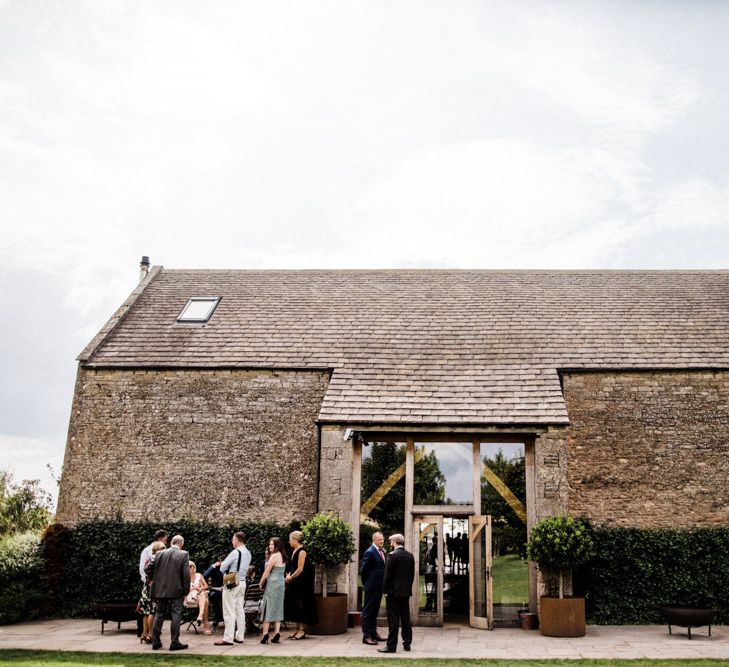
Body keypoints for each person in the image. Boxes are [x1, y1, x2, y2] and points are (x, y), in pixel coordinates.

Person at [148, 534, 190, 651]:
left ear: (172, 542)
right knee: (176, 614)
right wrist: (186, 590)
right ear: (181, 544)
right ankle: (174, 642)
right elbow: (186, 575)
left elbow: (148, 569)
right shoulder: (183, 554)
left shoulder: (159, 554)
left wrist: (155, 580)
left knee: (159, 614)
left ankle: (155, 641)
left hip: (160, 590)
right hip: (176, 590)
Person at [378, 533, 415, 654]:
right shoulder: (410, 556)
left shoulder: (392, 556)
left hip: (393, 593)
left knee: (393, 620)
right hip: (405, 592)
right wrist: (407, 588)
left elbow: (387, 576)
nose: (390, 544)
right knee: (405, 618)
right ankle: (407, 643)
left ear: (394, 542)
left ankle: (391, 646)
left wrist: (385, 591)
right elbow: (411, 575)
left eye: (391, 542)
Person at [215, 531, 252, 646]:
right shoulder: (248, 553)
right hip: (242, 583)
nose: (232, 541)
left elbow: (222, 567)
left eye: (233, 539)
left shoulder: (235, 552)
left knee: (229, 611)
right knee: (239, 610)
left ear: (237, 540)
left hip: (232, 583)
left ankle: (228, 638)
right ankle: (240, 636)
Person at [284, 530, 317, 639]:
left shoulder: (302, 551)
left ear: (295, 540)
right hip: (295, 583)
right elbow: (292, 567)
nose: (289, 542)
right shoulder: (294, 551)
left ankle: (302, 630)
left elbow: (300, 569)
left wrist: (291, 577)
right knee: (295, 606)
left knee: (301, 605)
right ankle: (297, 629)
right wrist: (288, 574)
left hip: (302, 583)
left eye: (290, 539)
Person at [258, 537, 286, 644]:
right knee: (278, 607)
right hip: (280, 584)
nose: (270, 546)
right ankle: (276, 633)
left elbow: (267, 571)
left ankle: (265, 634)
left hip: (272, 584)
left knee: (268, 607)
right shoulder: (283, 556)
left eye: (272, 545)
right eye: (269, 544)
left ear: (277, 546)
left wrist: (260, 583)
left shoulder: (274, 556)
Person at [360, 531, 386, 645]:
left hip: (379, 587)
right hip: (371, 586)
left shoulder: (381, 551)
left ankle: (373, 633)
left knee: (374, 611)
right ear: (374, 540)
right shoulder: (370, 552)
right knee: (367, 612)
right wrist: (367, 584)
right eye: (380, 539)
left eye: (383, 539)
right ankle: (366, 636)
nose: (382, 541)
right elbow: (364, 571)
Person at [137, 540, 166, 644]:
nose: (165, 550)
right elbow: (147, 570)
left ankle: (144, 634)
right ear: (158, 549)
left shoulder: (149, 558)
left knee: (145, 612)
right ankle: (150, 635)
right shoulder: (156, 558)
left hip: (146, 587)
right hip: (153, 588)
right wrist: (155, 578)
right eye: (163, 548)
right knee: (152, 612)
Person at [185, 561, 211, 635]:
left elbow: (206, 586)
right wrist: (195, 588)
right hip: (190, 598)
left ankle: (200, 616)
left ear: (194, 567)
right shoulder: (185, 577)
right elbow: (183, 591)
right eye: (189, 567)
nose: (191, 568)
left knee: (203, 594)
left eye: (192, 566)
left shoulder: (199, 575)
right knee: (206, 601)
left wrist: (201, 588)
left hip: (199, 596)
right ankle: (205, 624)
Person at [203, 555, 226, 632]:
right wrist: (213, 566)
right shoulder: (216, 568)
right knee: (213, 596)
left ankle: (225, 618)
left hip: (227, 591)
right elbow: (204, 575)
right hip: (216, 591)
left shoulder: (229, 568)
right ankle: (217, 618)